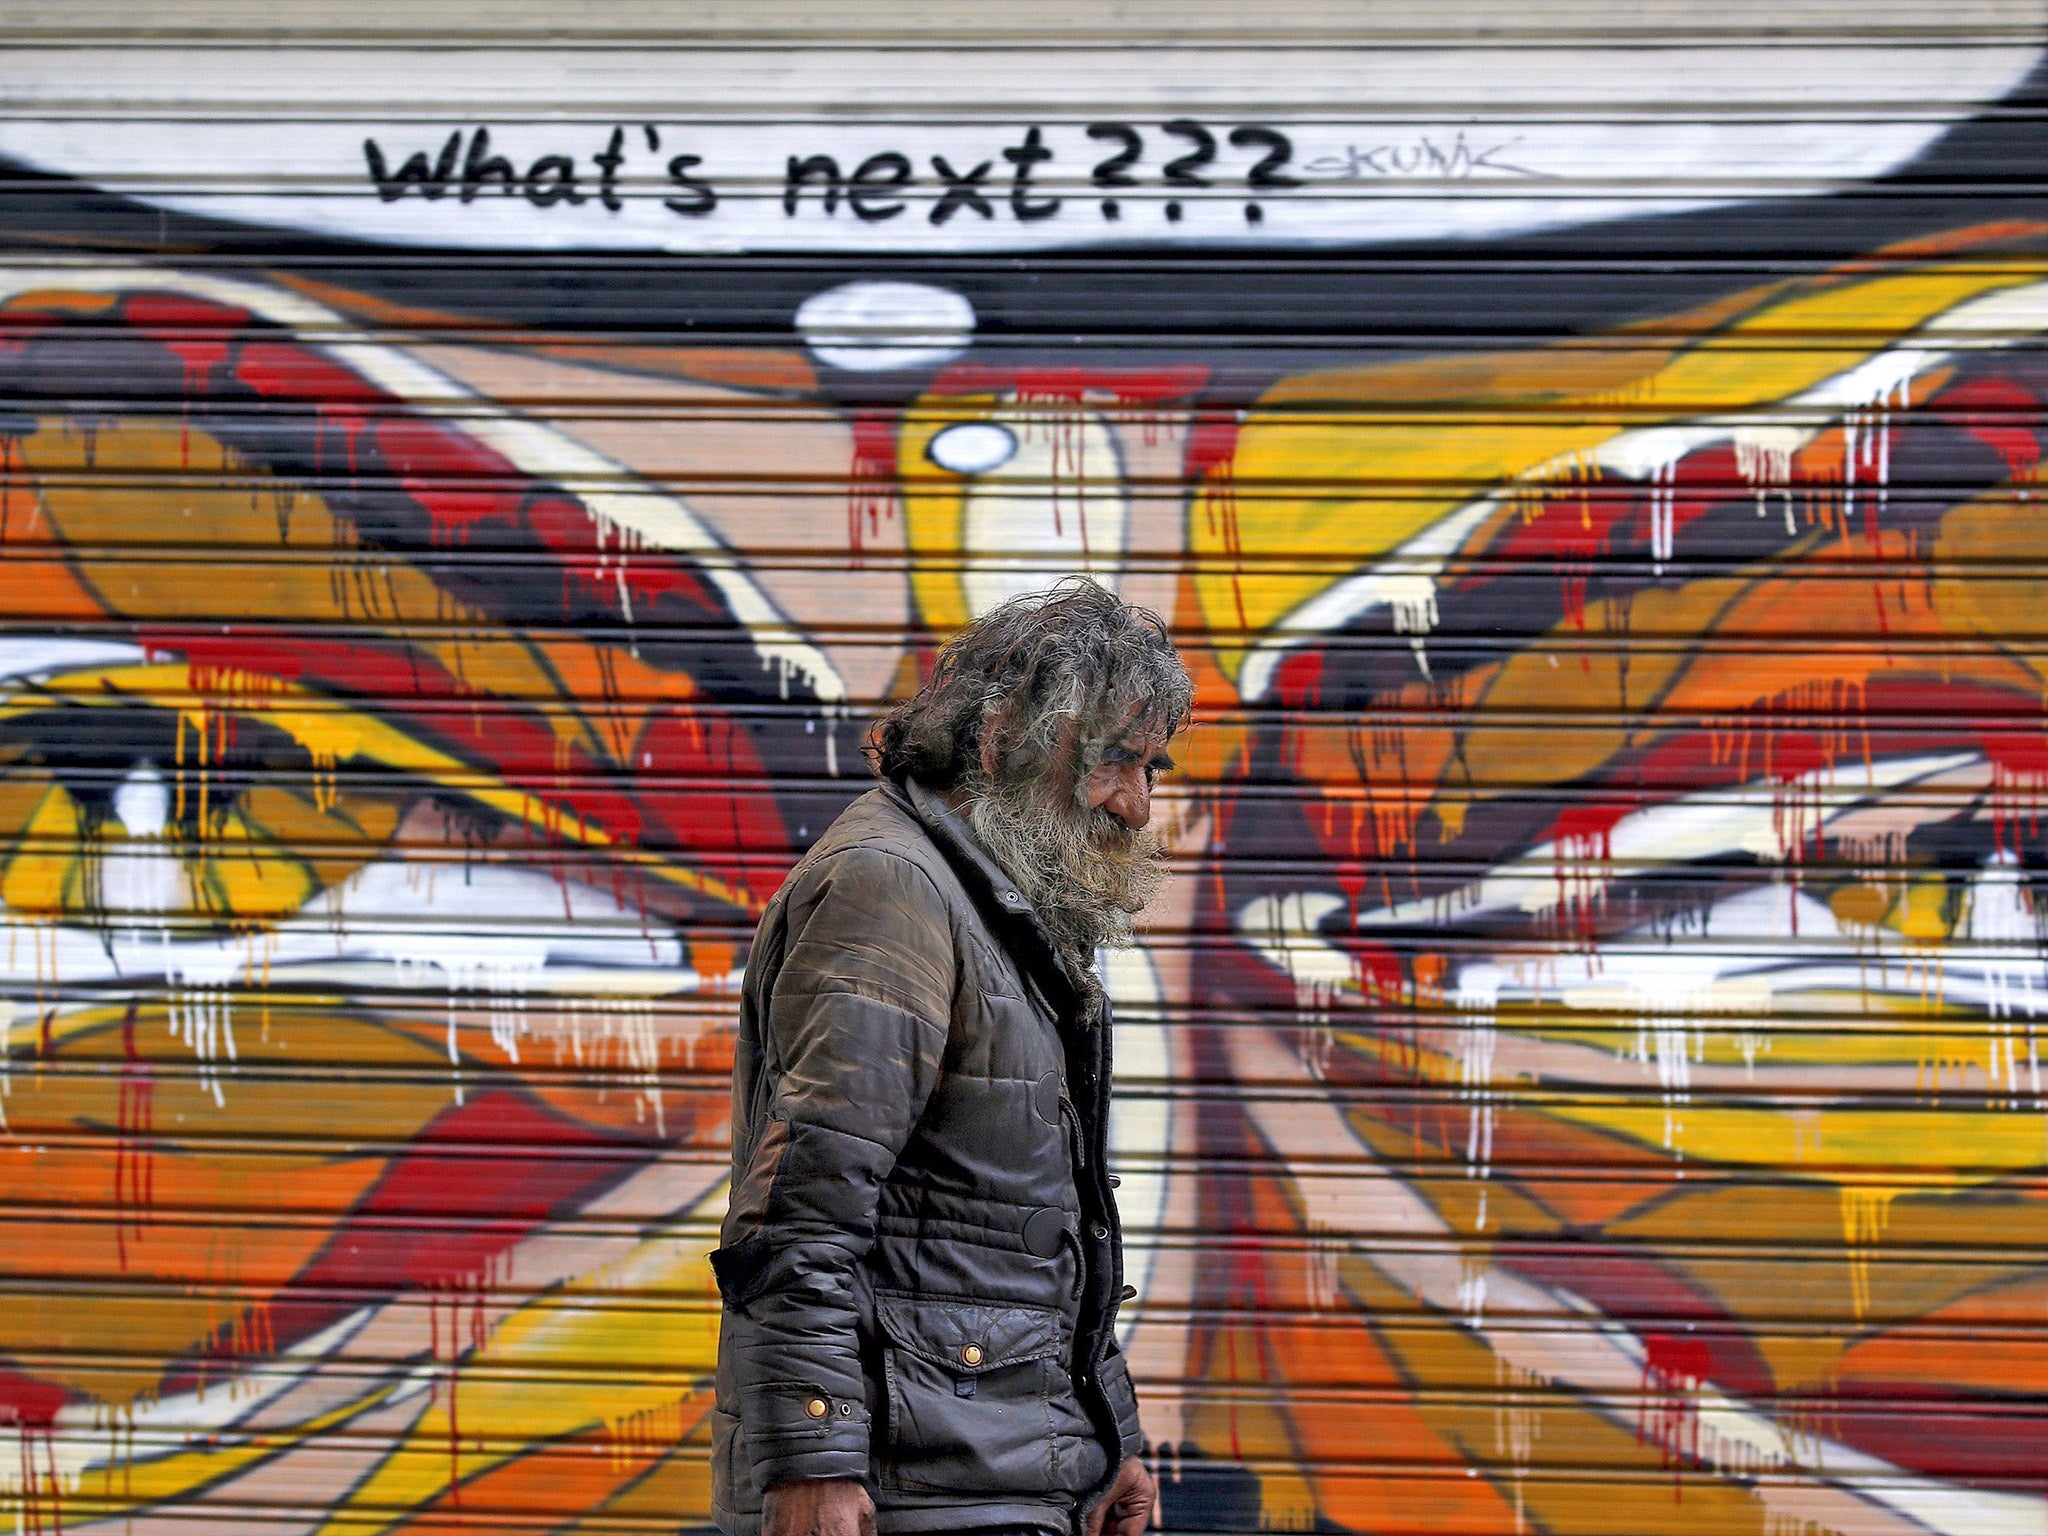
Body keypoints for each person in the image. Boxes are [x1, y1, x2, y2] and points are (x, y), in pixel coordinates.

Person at [710, 579, 1190, 1536]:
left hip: (994, 1481)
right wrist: (812, 1460)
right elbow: (804, 1206)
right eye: (1113, 763)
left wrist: (1109, 1441)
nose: (1137, 806)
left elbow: (1032, 1238)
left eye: (1154, 769)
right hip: (913, 1495)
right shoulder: (890, 889)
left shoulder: (1002, 907)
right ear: (1000, 731)